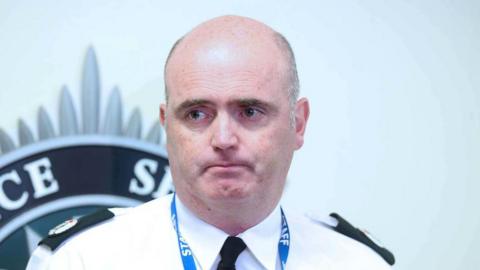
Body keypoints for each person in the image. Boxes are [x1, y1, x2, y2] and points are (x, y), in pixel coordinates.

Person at [27, 15, 394, 269]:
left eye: (250, 112)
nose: (223, 139)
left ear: (298, 124)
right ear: (166, 125)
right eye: (197, 114)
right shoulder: (82, 261)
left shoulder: (357, 263)